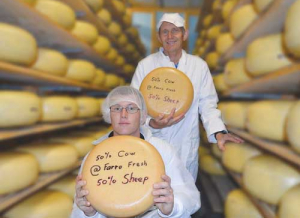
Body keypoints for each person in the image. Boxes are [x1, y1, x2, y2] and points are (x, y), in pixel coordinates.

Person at [131, 13, 243, 180]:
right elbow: (134, 106)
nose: (170, 36)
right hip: (153, 145)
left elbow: (208, 104)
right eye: (165, 32)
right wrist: (152, 123)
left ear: (184, 34)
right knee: (153, 198)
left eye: (175, 31)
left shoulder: (199, 66)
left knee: (184, 199)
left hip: (186, 147)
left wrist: (219, 131)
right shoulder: (145, 66)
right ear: (158, 36)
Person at [70, 86, 201, 218]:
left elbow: (190, 196)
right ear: (109, 114)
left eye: (131, 108)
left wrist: (172, 207)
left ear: (143, 115)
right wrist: (89, 213)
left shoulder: (162, 150)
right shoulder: (93, 158)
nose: (123, 114)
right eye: (117, 108)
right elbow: (77, 209)